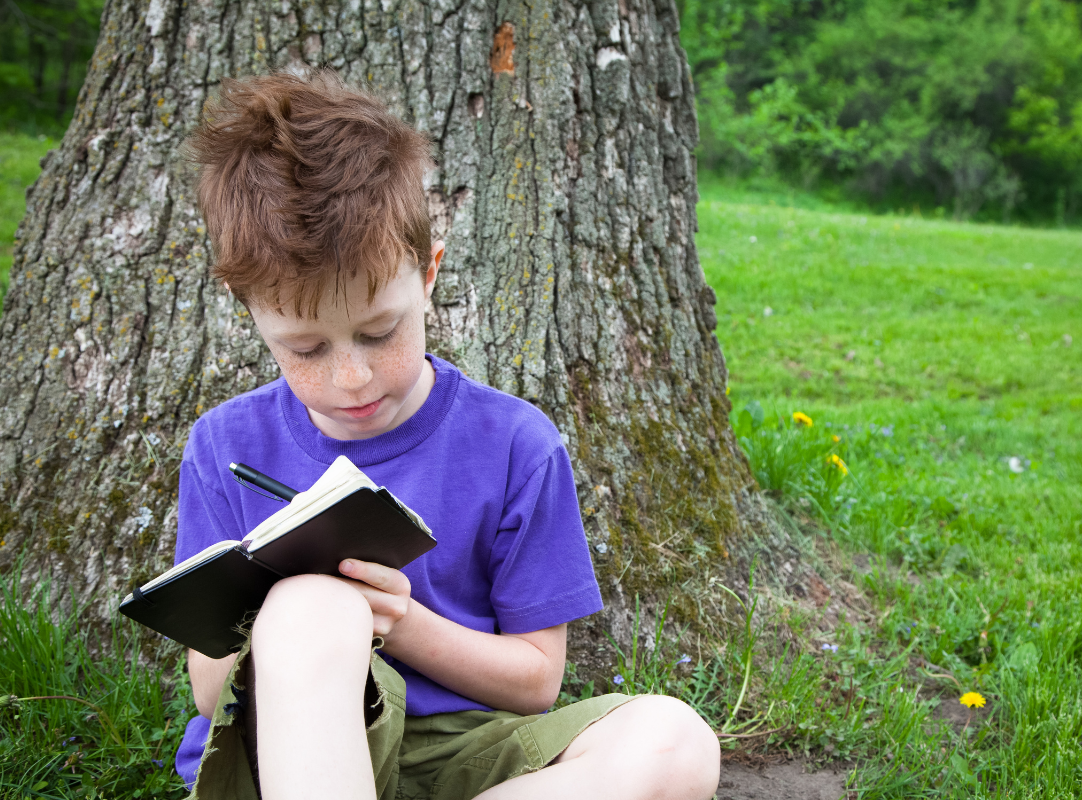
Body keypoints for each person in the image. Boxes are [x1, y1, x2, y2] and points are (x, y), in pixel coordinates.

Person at [171, 70, 721, 800]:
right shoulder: (224, 447)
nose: (353, 379)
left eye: (379, 332)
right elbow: (210, 692)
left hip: (469, 758)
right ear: (251, 315)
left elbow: (535, 682)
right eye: (307, 350)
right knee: (310, 605)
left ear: (427, 276)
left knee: (676, 744)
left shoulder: (516, 444)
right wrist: (299, 616)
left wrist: (398, 622)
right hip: (289, 754)